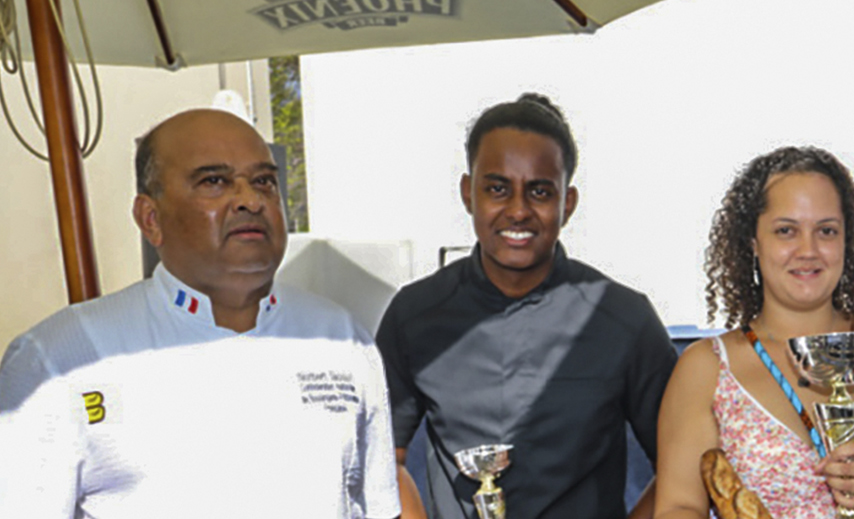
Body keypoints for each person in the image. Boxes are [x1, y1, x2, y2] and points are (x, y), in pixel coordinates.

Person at [0, 109, 400, 518]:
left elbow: (379, 507)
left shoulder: (340, 339)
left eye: (264, 181)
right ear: (150, 219)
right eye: (214, 181)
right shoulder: (60, 358)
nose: (250, 200)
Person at [376, 93, 679, 519]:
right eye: (498, 189)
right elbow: (383, 459)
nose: (517, 211)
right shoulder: (415, 314)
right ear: (468, 193)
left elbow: (683, 467)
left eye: (539, 191)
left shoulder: (623, 319)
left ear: (567, 204)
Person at [654, 146, 854, 519]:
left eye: (826, 230)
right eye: (786, 231)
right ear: (753, 244)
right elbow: (677, 508)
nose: (808, 250)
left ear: (846, 240)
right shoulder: (705, 367)